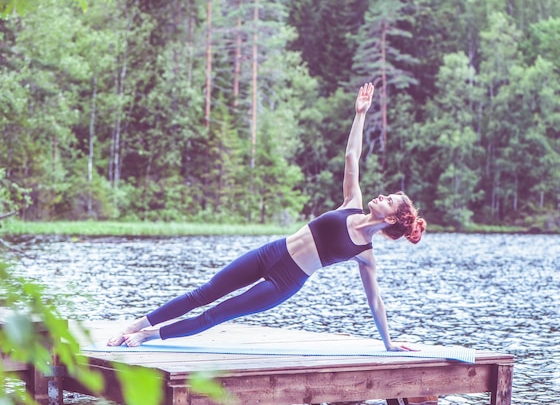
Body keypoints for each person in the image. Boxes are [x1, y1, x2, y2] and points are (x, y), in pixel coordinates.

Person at [107, 83, 426, 350]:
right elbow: (351, 155)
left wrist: (388, 344)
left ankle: (148, 336)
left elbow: (375, 303)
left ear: (392, 219)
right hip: (271, 252)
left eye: (390, 200)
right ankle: (140, 321)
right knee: (203, 293)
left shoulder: (365, 255)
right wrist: (360, 114)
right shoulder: (351, 202)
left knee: (216, 314)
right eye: (387, 194)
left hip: (283, 282)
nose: (382, 196)